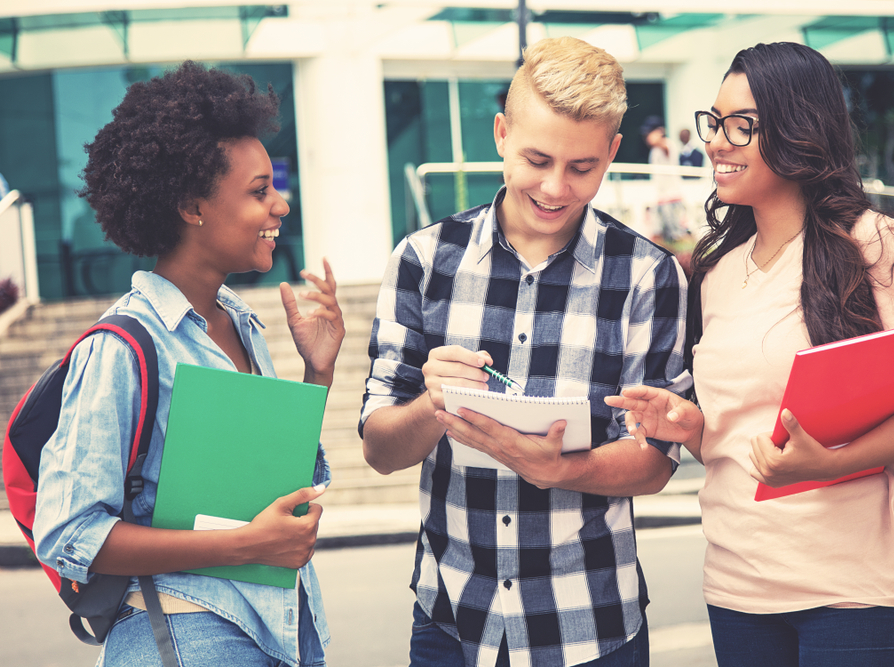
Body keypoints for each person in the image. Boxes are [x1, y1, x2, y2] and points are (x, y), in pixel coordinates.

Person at [606, 42, 894, 667]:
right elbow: (748, 438)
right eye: (714, 122)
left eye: (742, 126)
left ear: (799, 129)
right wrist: (692, 427)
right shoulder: (717, 271)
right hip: (739, 585)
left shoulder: (874, 245)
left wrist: (830, 463)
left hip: (855, 590)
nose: (717, 142)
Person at [360, 36, 689, 667]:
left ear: (613, 152)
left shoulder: (647, 276)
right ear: (501, 133)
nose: (555, 187)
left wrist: (563, 469)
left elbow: (658, 459)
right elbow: (378, 450)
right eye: (537, 158)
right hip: (451, 619)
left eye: (582, 167)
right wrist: (436, 404)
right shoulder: (424, 262)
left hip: (593, 623)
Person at [33, 61, 345, 667]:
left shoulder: (240, 325)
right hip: (188, 636)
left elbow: (269, 485)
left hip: (281, 631)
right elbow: (69, 533)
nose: (281, 205)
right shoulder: (124, 346)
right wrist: (243, 544)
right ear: (193, 207)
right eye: (259, 191)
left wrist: (319, 373)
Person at [639, 115, 685, 242]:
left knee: (676, 236)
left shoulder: (668, 144)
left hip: (671, 197)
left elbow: (665, 147)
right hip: (661, 198)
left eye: (650, 132)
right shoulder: (654, 150)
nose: (647, 137)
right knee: (662, 236)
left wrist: (658, 138)